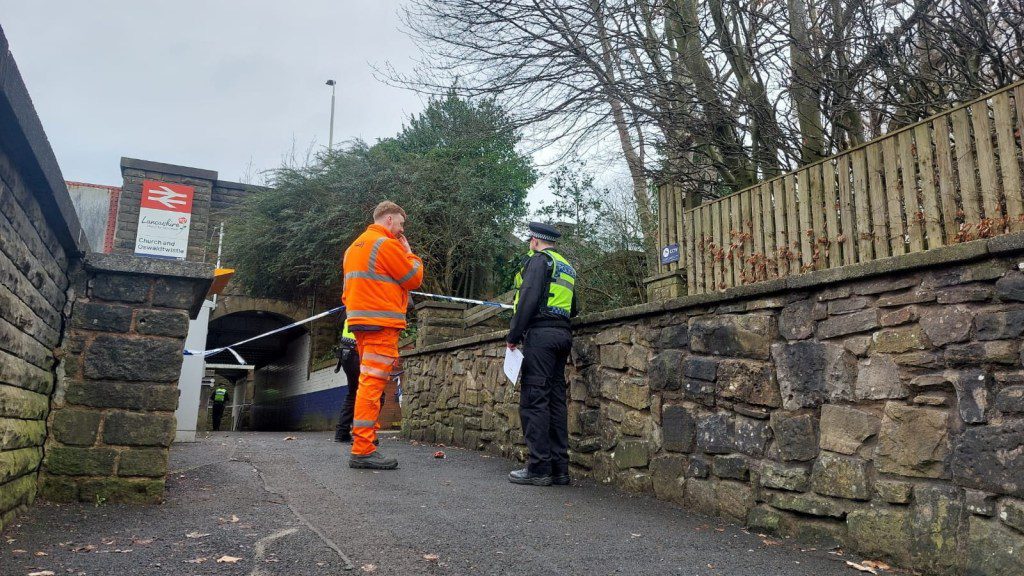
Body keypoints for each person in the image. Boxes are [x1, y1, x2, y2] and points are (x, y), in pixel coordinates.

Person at [342, 200, 424, 469]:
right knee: (372, 385)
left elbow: (346, 292)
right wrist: (410, 253)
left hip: (360, 324)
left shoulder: (353, 248)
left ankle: (366, 441)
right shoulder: (385, 244)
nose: (401, 231)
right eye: (400, 224)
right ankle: (363, 448)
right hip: (381, 324)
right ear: (389, 220)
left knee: (367, 383)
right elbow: (413, 278)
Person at [506, 222, 577, 487]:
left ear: (535, 241)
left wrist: (513, 336)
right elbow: (575, 306)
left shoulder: (539, 261)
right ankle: (560, 469)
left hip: (541, 336)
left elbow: (528, 297)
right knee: (556, 402)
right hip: (563, 335)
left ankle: (538, 468)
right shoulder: (565, 266)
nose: (529, 245)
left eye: (529, 241)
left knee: (535, 400)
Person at [333, 317, 387, 443]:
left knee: (353, 394)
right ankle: (363, 434)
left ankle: (342, 432)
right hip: (359, 353)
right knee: (375, 394)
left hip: (346, 354)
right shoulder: (372, 307)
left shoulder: (355, 307)